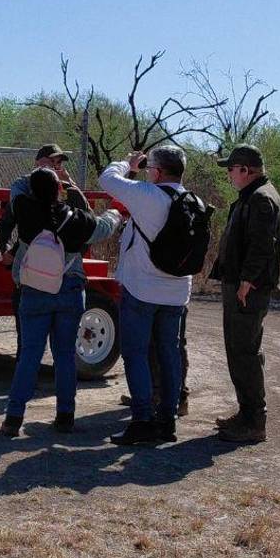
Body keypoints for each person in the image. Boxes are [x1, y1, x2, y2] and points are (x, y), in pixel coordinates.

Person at [0, 167, 123, 437]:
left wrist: (41, 174)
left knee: (29, 356)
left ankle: (13, 418)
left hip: (34, 290)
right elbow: (103, 228)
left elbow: (16, 185)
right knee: (65, 355)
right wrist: (114, 211)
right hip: (69, 289)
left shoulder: (24, 209)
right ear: (59, 191)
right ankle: (65, 416)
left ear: (32, 189)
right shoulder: (77, 219)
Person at [98, 146, 195, 445]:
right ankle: (168, 420)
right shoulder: (193, 200)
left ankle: (141, 420)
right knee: (169, 354)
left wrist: (128, 164)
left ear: (157, 171)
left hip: (142, 289)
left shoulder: (146, 195)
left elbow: (107, 179)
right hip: (177, 292)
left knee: (136, 354)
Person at [210, 144, 280, 444]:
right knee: (239, 349)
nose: (229, 174)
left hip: (247, 289)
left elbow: (263, 244)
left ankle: (254, 421)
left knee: (244, 351)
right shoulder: (253, 196)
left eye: (231, 169)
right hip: (240, 284)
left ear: (245, 170)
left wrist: (247, 281)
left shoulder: (262, 198)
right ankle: (247, 414)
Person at [0, 144, 89, 356]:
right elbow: (11, 223)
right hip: (31, 272)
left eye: (59, 163)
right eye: (52, 161)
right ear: (38, 163)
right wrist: (6, 248)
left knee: (63, 347)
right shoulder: (23, 187)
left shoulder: (67, 188)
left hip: (64, 273)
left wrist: (70, 185)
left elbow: (87, 218)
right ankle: (27, 370)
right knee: (28, 339)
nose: (57, 166)